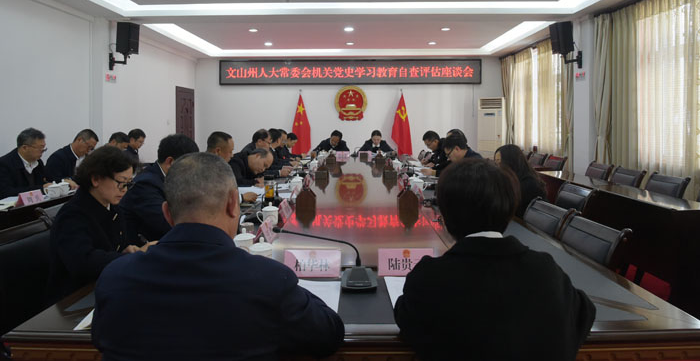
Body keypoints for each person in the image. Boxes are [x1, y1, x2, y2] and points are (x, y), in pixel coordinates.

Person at [92, 152, 344, 360]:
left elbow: (100, 340)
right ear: (234, 203)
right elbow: (328, 334)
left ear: (167, 213)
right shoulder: (269, 280)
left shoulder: (115, 278)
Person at [394, 158, 595, 360]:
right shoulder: (546, 272)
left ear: (444, 217)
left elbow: (406, 319)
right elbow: (584, 312)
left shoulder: (429, 278)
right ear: (509, 211)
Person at [47, 146, 153, 304]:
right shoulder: (73, 215)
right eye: (121, 183)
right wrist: (130, 257)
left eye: (128, 184)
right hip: (74, 297)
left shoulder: (113, 207)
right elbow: (84, 263)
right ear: (96, 179)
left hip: (106, 283)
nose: (124, 190)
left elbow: (114, 247)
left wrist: (126, 250)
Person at [120, 134, 199, 243]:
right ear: (170, 162)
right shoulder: (146, 184)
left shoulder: (166, 179)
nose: (192, 172)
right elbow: (167, 225)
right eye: (189, 166)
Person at [495, 144, 547, 218]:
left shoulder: (529, 183)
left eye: (499, 162)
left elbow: (506, 208)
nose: (497, 167)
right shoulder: (510, 178)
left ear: (511, 162)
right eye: (495, 163)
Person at [0, 128, 51, 198]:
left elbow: (42, 183)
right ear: (24, 148)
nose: (43, 151)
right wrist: (41, 189)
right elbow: (6, 192)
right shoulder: (4, 164)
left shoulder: (38, 162)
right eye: (40, 148)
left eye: (44, 148)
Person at [207, 131, 257, 203]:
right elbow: (213, 198)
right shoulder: (205, 170)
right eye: (230, 151)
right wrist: (241, 198)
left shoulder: (218, 166)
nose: (232, 155)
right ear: (218, 151)